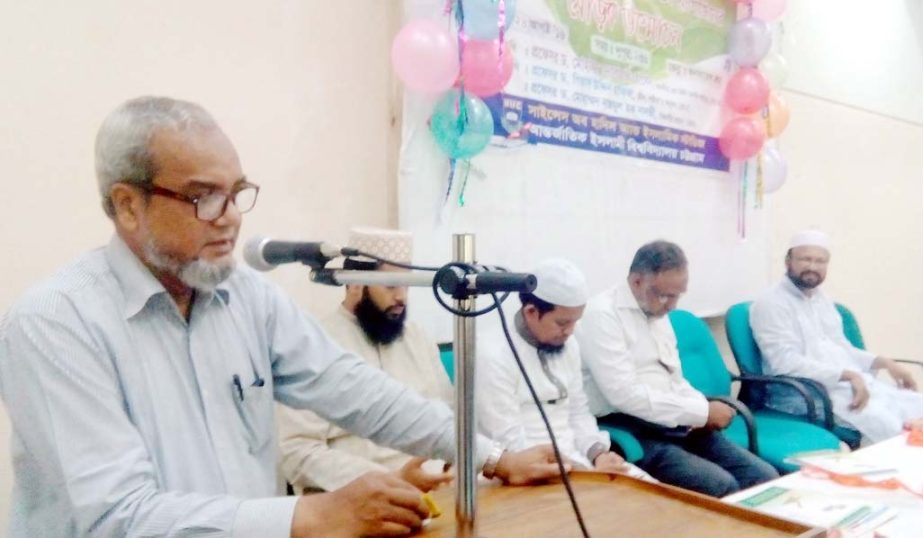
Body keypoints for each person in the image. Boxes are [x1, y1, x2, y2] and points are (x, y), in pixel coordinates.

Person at [0, 96, 563, 538]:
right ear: (128, 205)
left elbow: (358, 391)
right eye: (203, 198)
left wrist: (489, 455)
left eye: (236, 193)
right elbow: (118, 518)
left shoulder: (245, 297)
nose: (229, 221)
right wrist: (309, 518)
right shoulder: (55, 324)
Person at [576, 240, 778, 497]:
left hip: (674, 420)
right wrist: (701, 411)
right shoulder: (602, 315)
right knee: (721, 485)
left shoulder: (657, 312)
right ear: (637, 281)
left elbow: (674, 378)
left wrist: (698, 410)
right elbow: (624, 395)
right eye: (665, 295)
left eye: (678, 295)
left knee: (762, 477)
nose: (672, 305)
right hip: (631, 427)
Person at [278, 227, 454, 493]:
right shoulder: (315, 344)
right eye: (391, 285)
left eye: (407, 285)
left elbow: (449, 419)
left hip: (437, 493)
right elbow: (297, 451)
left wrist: (456, 464)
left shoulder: (417, 338)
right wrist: (390, 481)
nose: (402, 297)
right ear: (355, 283)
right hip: (356, 501)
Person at [476, 258, 650, 478]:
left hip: (578, 462)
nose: (570, 331)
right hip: (526, 472)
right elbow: (507, 439)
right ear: (531, 312)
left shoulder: (568, 344)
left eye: (575, 322)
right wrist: (581, 471)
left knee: (654, 494)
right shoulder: (492, 353)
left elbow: (578, 412)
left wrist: (598, 453)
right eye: (562, 323)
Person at [750, 229, 923, 443]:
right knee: (888, 426)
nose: (812, 267)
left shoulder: (821, 299)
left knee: (917, 405)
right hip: (806, 394)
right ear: (788, 261)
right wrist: (849, 375)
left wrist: (885, 363)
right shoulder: (771, 303)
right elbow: (784, 363)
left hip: (845, 386)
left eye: (820, 261)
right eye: (805, 259)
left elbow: (842, 348)